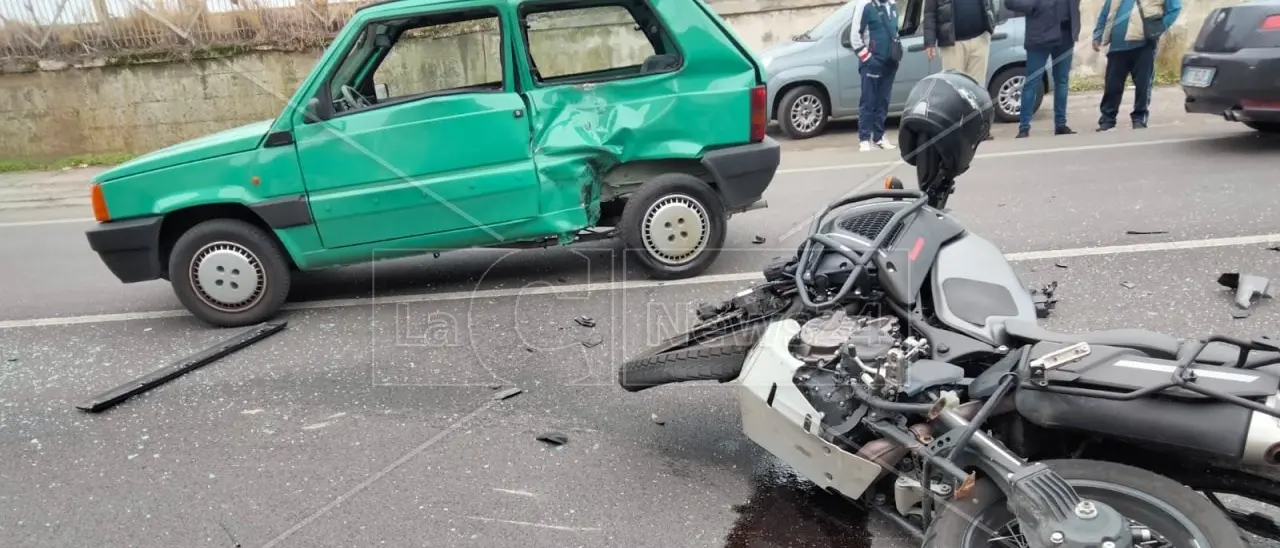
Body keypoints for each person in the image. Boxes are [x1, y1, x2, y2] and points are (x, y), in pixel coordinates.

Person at [1092, 0, 1181, 131]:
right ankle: (1107, 120)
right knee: (1112, 85)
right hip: (1117, 46)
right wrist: (1098, 35)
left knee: (1143, 85)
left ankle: (1139, 118)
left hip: (1143, 45)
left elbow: (1175, 9)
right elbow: (1105, 12)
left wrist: (1159, 28)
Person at [1005, 0, 1082, 138]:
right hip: (1040, 33)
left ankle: (1061, 124)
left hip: (1066, 32)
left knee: (1062, 81)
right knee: (1032, 80)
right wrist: (1035, 5)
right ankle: (1024, 127)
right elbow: (1010, 2)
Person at [923, 0, 999, 140]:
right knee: (954, 90)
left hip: (980, 38)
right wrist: (929, 42)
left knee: (977, 88)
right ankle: (957, 130)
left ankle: (979, 128)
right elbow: (929, 13)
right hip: (952, 43)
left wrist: (991, 24)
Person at [850, 0, 903, 152]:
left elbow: (894, 30)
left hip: (890, 63)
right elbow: (855, 36)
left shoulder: (892, 4)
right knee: (868, 101)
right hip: (872, 62)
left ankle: (879, 137)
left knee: (883, 101)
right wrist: (867, 58)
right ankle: (864, 138)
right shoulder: (864, 5)